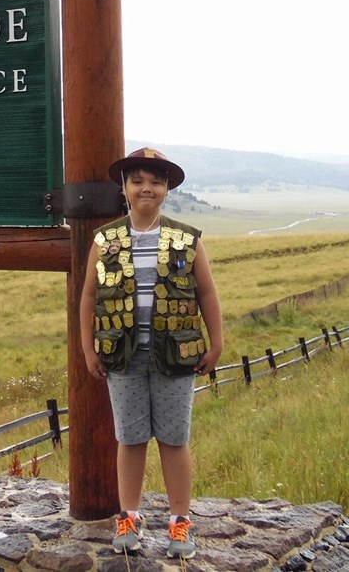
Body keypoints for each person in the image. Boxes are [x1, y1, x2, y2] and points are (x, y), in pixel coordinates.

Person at [78, 147, 224, 560]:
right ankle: (130, 516)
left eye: (156, 181)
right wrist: (87, 347)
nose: (147, 187)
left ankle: (180, 522)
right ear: (124, 188)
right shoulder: (104, 240)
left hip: (176, 356)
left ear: (167, 189)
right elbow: (88, 295)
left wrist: (217, 342)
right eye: (138, 180)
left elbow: (207, 293)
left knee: (175, 440)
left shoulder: (187, 238)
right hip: (121, 357)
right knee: (130, 437)